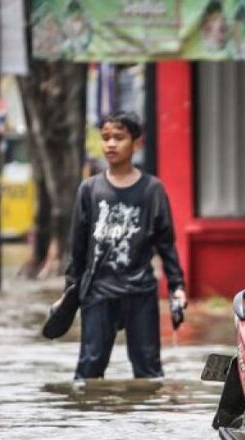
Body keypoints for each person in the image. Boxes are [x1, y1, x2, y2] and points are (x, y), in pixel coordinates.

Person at [62, 112, 187, 380]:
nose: (110, 144)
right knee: (88, 371)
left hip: (140, 291)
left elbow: (166, 244)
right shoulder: (89, 190)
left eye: (119, 138)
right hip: (98, 291)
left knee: (149, 372)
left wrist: (177, 288)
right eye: (106, 138)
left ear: (136, 143)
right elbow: (78, 248)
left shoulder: (152, 190)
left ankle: (148, 422)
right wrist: (69, 292)